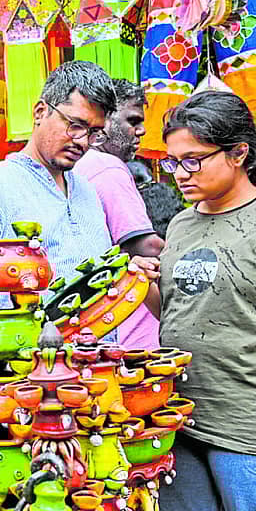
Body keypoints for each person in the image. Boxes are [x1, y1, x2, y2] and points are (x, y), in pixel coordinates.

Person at [132, 91, 256, 511]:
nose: (180, 174)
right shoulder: (181, 223)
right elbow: (176, 312)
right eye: (173, 162)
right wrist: (142, 283)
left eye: (193, 160)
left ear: (238, 153)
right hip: (181, 424)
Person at [0, 61, 116, 307]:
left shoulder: (87, 191)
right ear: (40, 112)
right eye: (75, 126)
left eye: (94, 133)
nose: (83, 142)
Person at [73, 79, 164, 350]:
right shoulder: (106, 167)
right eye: (132, 121)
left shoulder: (76, 167)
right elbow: (147, 247)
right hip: (130, 330)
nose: (141, 131)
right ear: (104, 121)